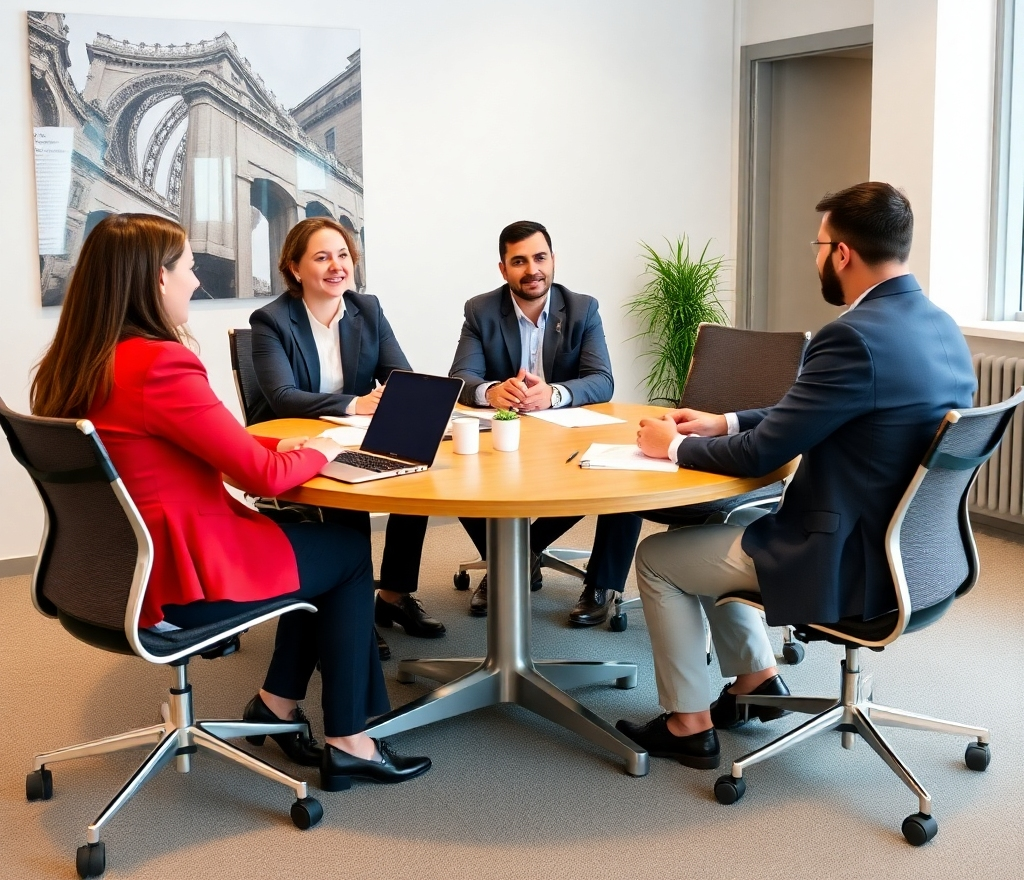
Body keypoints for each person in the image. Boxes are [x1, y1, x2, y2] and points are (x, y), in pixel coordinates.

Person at [30, 213, 431, 793]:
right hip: (178, 579)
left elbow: (181, 444)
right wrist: (320, 446)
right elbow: (264, 477)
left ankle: (276, 706)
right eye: (189, 269)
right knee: (343, 552)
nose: (195, 282)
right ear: (154, 280)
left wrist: (278, 443)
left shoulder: (77, 363)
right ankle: (350, 744)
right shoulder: (158, 363)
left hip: (105, 573)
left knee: (312, 555)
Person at [615, 182, 977, 770]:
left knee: (662, 559)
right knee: (724, 534)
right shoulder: (939, 328)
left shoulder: (853, 337)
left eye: (818, 245)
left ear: (841, 253)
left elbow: (761, 455)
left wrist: (674, 445)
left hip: (848, 561)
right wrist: (721, 420)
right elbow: (811, 412)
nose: (816, 258)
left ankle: (687, 725)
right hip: (918, 555)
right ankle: (756, 683)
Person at [249, 218, 443, 661]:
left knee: (417, 474)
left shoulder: (367, 309)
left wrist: (400, 400)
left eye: (342, 255)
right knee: (347, 499)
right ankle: (352, 611)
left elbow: (401, 378)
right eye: (321, 257)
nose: (337, 266)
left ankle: (392, 598)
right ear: (295, 269)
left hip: (355, 435)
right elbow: (282, 397)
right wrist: (355, 404)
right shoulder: (272, 320)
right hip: (297, 442)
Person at [450, 220, 642, 626]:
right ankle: (508, 563)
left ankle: (598, 583)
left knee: (626, 473)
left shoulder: (582, 308)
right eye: (519, 261)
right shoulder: (480, 310)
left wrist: (553, 393)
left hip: (565, 436)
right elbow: (460, 378)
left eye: (540, 258)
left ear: (553, 260)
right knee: (452, 467)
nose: (532, 269)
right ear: (503, 270)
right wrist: (490, 391)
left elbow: (602, 380)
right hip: (507, 437)